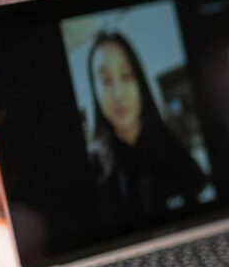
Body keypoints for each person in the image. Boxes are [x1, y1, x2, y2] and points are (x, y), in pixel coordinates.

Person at [87, 31, 208, 228]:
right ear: (94, 89)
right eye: (105, 80)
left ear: (140, 81)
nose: (118, 94)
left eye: (127, 76)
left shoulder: (170, 146)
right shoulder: (93, 165)